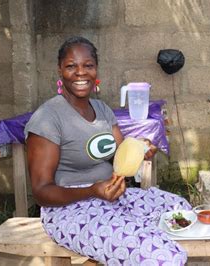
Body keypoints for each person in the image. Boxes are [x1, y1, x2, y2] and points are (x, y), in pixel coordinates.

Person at [25, 36, 191, 265]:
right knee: (164, 258)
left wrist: (140, 150)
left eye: (88, 65)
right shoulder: (48, 118)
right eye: (71, 66)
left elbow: (119, 156)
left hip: (112, 197)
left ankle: (132, 235)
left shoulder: (102, 110)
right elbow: (41, 192)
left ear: (96, 70)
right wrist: (92, 191)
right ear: (60, 71)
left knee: (181, 210)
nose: (80, 72)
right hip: (69, 209)